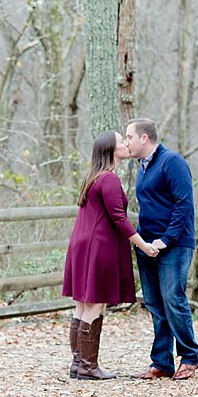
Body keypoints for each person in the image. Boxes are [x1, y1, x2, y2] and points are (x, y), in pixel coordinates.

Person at [61, 131, 159, 380]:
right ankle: (88, 366)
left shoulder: (92, 177)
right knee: (95, 303)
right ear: (110, 150)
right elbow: (119, 219)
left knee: (82, 305)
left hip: (81, 244)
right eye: (121, 141)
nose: (127, 144)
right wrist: (143, 245)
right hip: (98, 246)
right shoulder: (109, 180)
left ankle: (78, 364)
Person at [123, 118, 198, 379]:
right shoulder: (142, 168)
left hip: (174, 245)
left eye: (129, 137)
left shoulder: (172, 162)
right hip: (147, 245)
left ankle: (189, 357)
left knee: (173, 299)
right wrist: (143, 242)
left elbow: (184, 204)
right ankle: (162, 362)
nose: (126, 143)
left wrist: (166, 240)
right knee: (155, 303)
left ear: (144, 138)